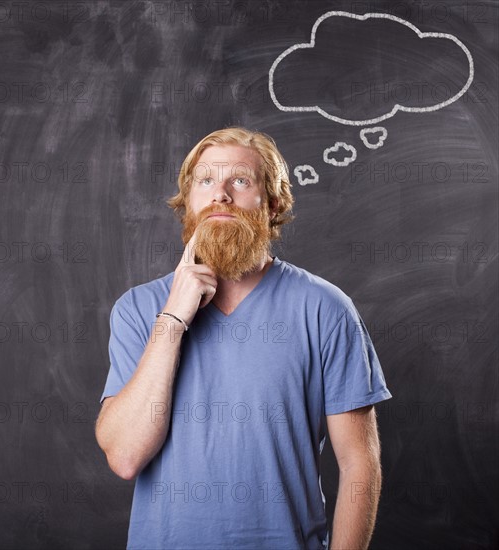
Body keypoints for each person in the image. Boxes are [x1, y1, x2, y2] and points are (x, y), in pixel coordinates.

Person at [95, 127, 392, 549]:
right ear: (189, 204)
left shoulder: (325, 309)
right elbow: (125, 457)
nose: (221, 195)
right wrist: (173, 320)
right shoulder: (138, 310)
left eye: (240, 180)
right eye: (206, 181)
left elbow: (359, 463)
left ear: (272, 205)